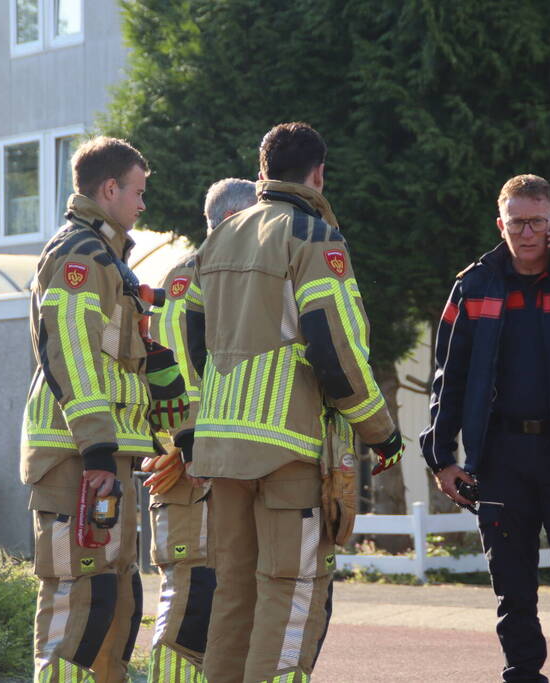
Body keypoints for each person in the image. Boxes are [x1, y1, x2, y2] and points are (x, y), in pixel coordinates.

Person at [184, 122, 404, 683]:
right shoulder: (311, 236)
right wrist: (381, 431)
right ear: (319, 173)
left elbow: (192, 330)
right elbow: (335, 347)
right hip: (288, 452)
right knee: (290, 598)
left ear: (262, 172)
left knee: (234, 595)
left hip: (222, 451)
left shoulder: (219, 238)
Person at [420, 174, 550, 683]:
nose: (528, 232)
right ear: (501, 223)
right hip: (500, 460)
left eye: (538, 221)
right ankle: (522, 674)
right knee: (512, 592)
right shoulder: (473, 285)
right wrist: (441, 457)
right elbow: (447, 377)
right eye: (517, 221)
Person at [21, 136, 154, 682]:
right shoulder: (80, 253)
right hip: (78, 457)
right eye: (138, 192)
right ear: (109, 188)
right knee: (78, 608)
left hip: (101, 458)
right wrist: (99, 448)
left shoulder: (106, 257)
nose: (143, 204)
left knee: (112, 606)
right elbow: (71, 354)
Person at [143, 177, 257, 681]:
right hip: (191, 470)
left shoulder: (201, 279)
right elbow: (174, 386)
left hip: (208, 468)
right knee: (193, 609)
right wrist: (192, 450)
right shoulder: (201, 281)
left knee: (215, 609)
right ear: (236, 220)